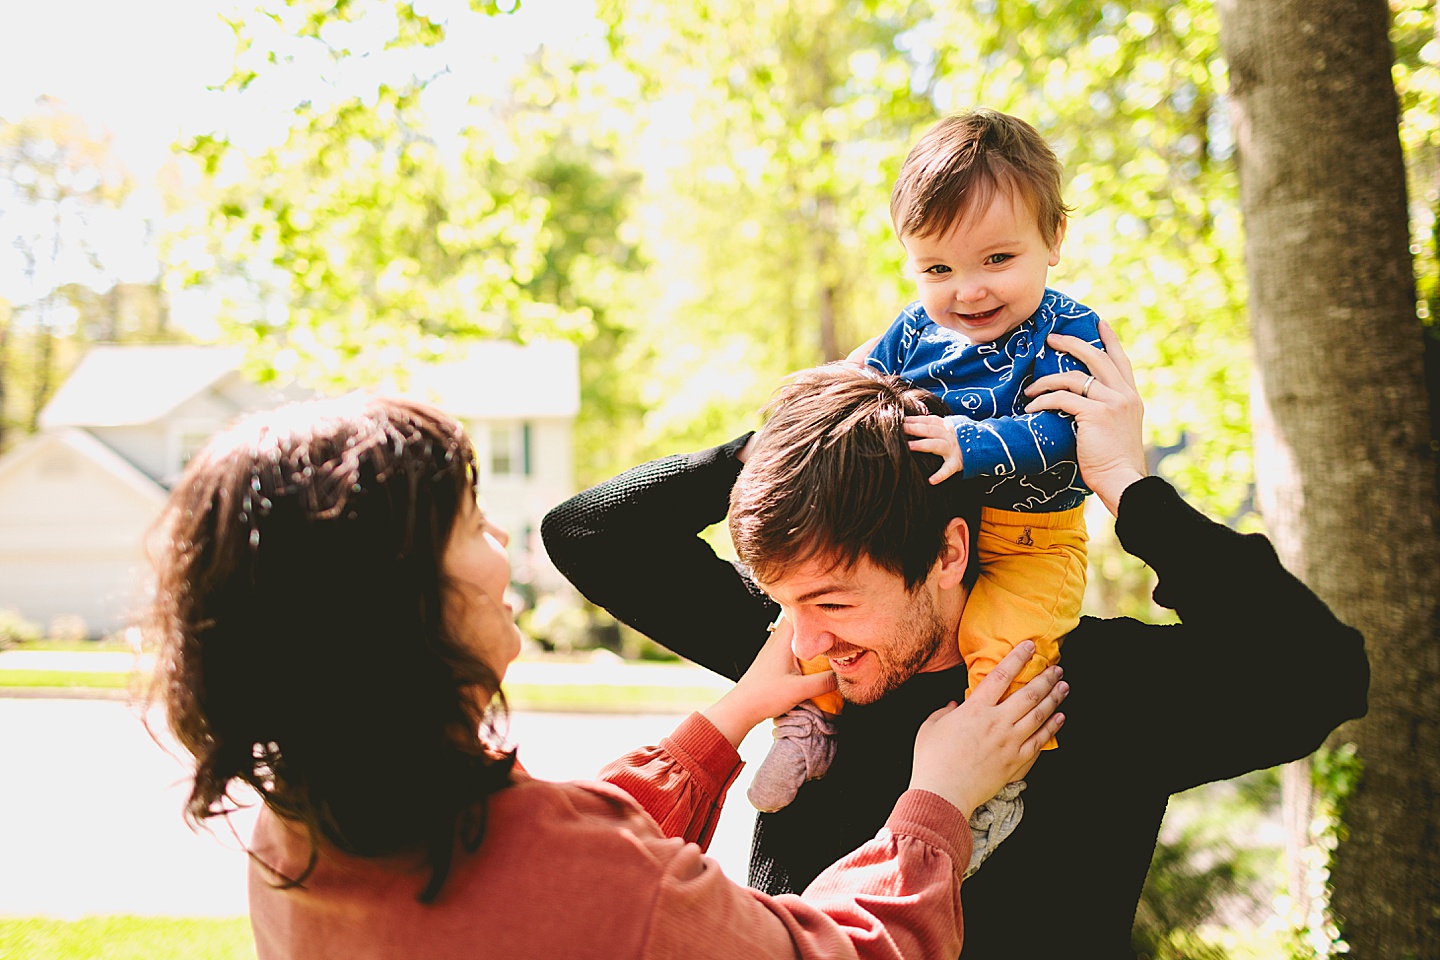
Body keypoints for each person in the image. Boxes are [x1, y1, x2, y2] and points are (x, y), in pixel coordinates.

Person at [141, 393, 1069, 960]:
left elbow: (544, 858)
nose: (504, 546)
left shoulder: (298, 830)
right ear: (400, 602)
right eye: (471, 524)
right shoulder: (580, 875)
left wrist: (734, 714)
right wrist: (938, 798)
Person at [540, 326, 1370, 959]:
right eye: (782, 602)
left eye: (831, 601)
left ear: (948, 554)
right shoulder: (807, 663)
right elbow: (588, 533)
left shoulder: (1078, 687)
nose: (804, 638)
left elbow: (1323, 673)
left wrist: (1127, 483)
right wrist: (811, 434)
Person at [749, 108, 1104, 814]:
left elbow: (1069, 434)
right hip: (931, 538)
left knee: (1002, 640)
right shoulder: (917, 331)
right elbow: (857, 388)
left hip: (1036, 540)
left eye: (997, 260)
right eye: (938, 268)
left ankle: (996, 781)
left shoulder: (1068, 332)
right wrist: (809, 418)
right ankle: (808, 724)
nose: (967, 291)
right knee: (804, 623)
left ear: (1054, 238)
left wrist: (967, 443)